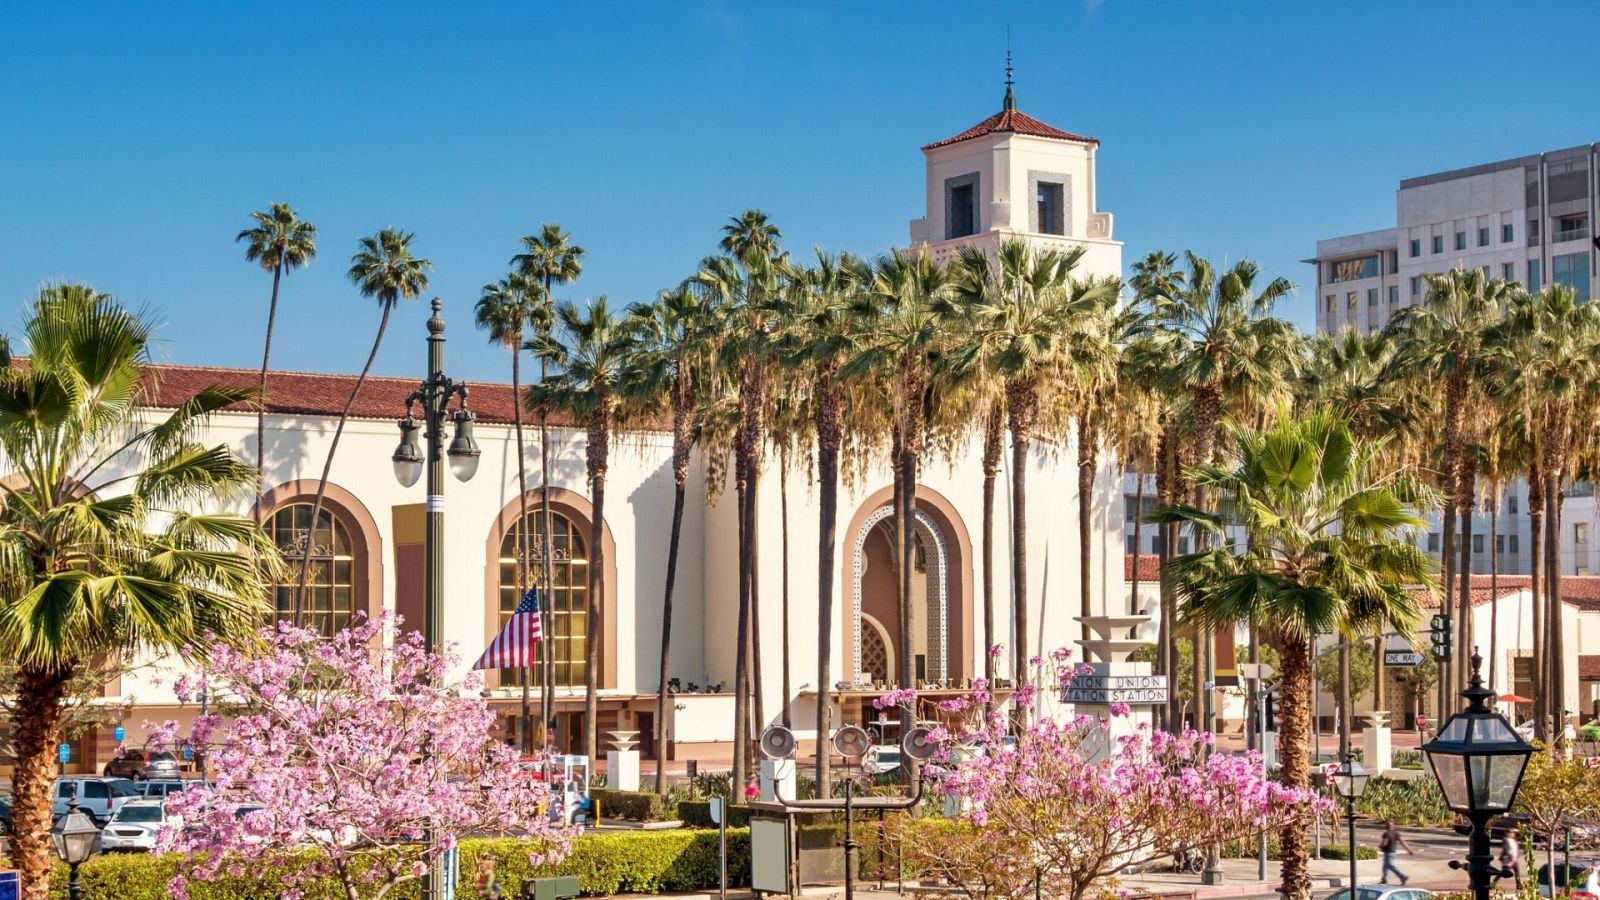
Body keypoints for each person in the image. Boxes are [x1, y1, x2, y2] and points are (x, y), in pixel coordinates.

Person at [1379, 820, 1414, 885]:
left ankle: (1402, 876)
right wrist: (1409, 850)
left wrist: (1380, 846)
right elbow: (1402, 842)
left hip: (1388, 852)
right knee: (1385, 866)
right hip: (1393, 853)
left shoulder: (1386, 834)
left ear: (1386, 826)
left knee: (1390, 865)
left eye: (1388, 825)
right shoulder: (1396, 833)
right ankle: (1384, 879)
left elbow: (1384, 843)